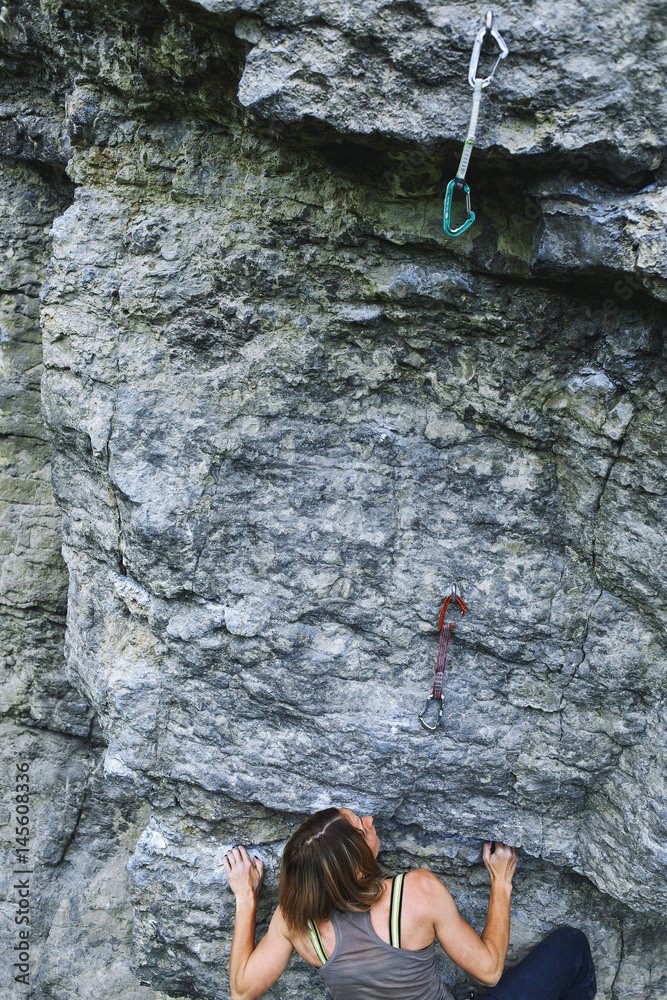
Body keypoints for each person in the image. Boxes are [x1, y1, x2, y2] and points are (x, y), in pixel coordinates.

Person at [223, 806, 596, 1000]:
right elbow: (489, 970)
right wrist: (501, 881)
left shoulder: (293, 922)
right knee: (572, 946)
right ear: (355, 871)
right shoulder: (417, 892)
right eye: (361, 828)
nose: (370, 821)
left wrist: (246, 898)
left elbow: (242, 990)